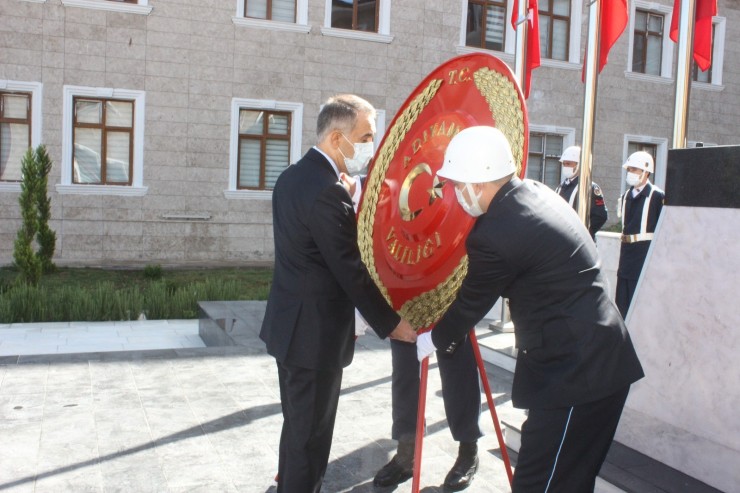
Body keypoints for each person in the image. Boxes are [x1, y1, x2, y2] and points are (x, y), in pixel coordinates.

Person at [415, 126, 644, 492]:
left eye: (459, 185)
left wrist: (432, 339)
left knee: (541, 484)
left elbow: (471, 302)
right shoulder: (533, 193)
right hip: (596, 359)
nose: (456, 193)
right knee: (567, 481)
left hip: (578, 375)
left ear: (480, 181)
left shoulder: (495, 231)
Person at [259, 94, 417, 492]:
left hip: (290, 329)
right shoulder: (328, 191)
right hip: (314, 338)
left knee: (297, 432)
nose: (370, 147)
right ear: (335, 138)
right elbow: (350, 271)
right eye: (365, 137)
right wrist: (393, 324)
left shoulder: (293, 176)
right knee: (309, 442)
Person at [372, 338, 482, 490]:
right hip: (407, 316)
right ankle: (407, 454)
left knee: (459, 370)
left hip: (449, 315)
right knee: (404, 368)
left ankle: (468, 453)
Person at [615, 151, 665, 318]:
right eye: (629, 169)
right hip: (626, 255)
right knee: (622, 301)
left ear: (646, 171)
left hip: (644, 254)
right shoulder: (627, 196)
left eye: (635, 169)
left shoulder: (657, 196)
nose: (631, 173)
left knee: (640, 303)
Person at [555, 145, 608, 241]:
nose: (566, 166)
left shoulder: (590, 188)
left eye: (569, 164)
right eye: (564, 164)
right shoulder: (560, 187)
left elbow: (600, 216)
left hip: (580, 240)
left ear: (579, 164)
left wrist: (584, 232)